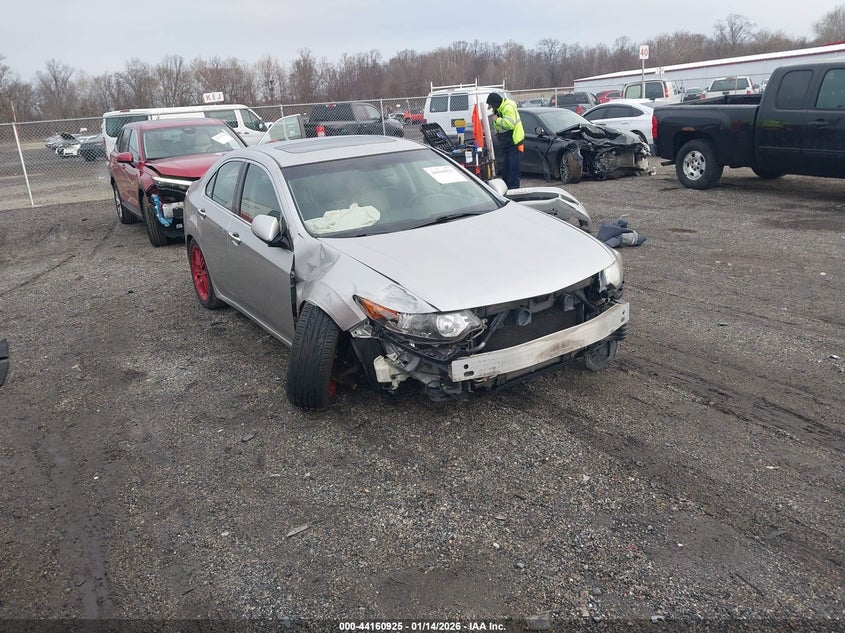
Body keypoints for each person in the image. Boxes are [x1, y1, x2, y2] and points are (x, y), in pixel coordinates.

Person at [486, 92, 524, 189]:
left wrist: (497, 119)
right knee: (506, 171)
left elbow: (509, 124)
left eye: (492, 106)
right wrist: (496, 133)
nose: (492, 109)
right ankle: (506, 189)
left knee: (513, 170)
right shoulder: (498, 110)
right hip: (507, 143)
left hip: (515, 143)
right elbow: (496, 125)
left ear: (495, 104)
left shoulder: (508, 107)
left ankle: (514, 190)